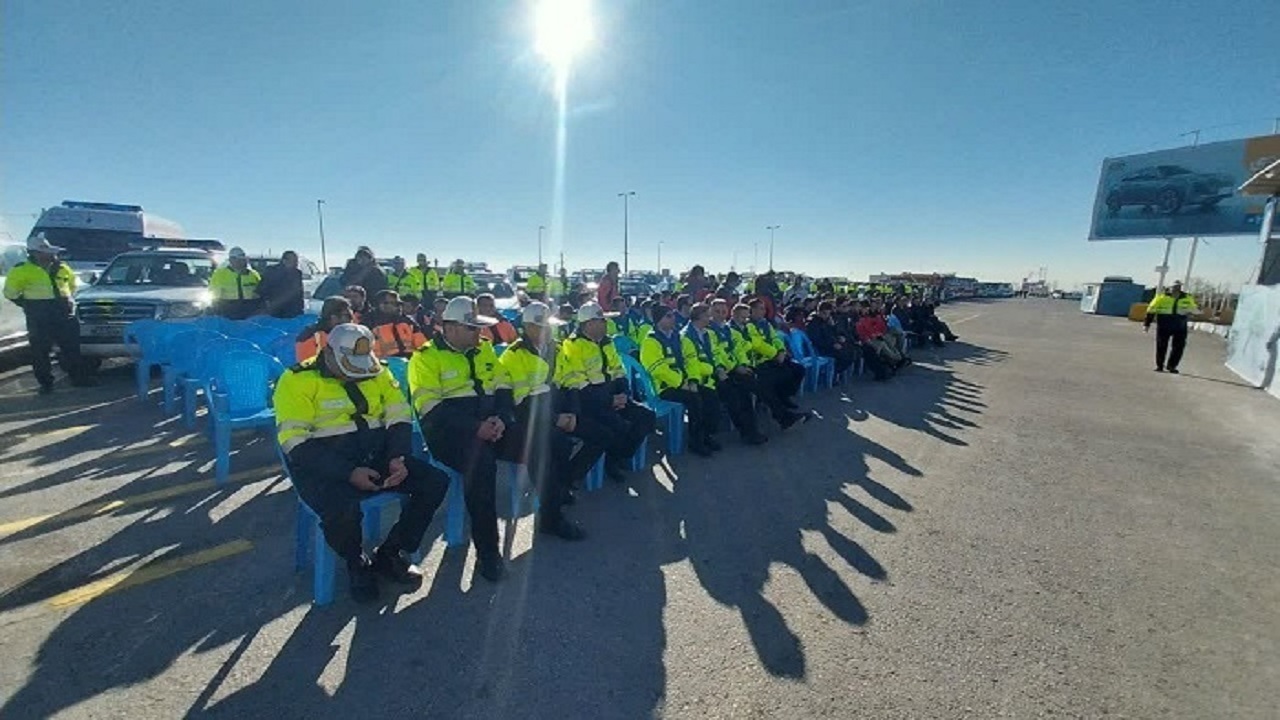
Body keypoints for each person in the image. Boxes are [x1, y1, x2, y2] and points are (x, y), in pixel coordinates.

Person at [274, 323, 451, 603]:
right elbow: (295, 444)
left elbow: (399, 416)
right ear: (329, 352)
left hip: (375, 456)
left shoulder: (378, 371)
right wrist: (348, 473)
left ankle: (392, 552)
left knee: (435, 482)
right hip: (324, 467)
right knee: (342, 510)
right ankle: (356, 561)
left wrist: (397, 457)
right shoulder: (296, 380)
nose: (357, 373)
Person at [408, 296, 510, 581]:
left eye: (479, 328)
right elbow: (432, 410)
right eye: (471, 329)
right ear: (449, 328)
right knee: (482, 467)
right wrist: (476, 428)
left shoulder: (484, 349)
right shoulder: (425, 358)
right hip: (449, 434)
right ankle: (488, 552)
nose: (479, 334)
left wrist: (502, 417)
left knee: (542, 437)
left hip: (490, 424)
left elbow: (503, 385)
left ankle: (553, 511)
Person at [495, 301, 599, 539]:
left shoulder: (557, 349)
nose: (548, 332)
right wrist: (556, 419)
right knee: (553, 446)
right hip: (530, 420)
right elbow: (522, 403)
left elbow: (570, 381)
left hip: (560, 411)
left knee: (599, 434)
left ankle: (563, 485)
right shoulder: (514, 356)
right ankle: (551, 517)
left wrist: (572, 412)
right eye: (542, 327)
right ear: (529, 327)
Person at [557, 302, 656, 480]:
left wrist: (624, 394)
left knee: (646, 416)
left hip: (613, 394)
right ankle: (611, 463)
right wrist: (609, 401)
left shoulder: (607, 342)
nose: (605, 324)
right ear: (588, 324)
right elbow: (579, 384)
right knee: (618, 425)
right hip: (590, 401)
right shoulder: (572, 346)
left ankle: (617, 457)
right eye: (601, 320)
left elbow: (619, 371)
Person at [3, 233, 95, 393]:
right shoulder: (21, 270)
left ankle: (79, 378)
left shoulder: (63, 268)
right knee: (40, 351)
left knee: (71, 347)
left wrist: (67, 301)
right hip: (39, 314)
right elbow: (10, 293)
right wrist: (27, 304)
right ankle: (46, 383)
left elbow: (72, 286)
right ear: (35, 253)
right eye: (47, 252)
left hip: (63, 312)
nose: (52, 255)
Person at [641, 305, 719, 456]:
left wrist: (694, 380)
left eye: (672, 315)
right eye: (668, 316)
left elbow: (691, 360)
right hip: (665, 387)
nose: (673, 319)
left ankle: (705, 435)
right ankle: (695, 441)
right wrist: (681, 383)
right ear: (659, 320)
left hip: (686, 383)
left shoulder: (680, 337)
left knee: (710, 395)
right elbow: (659, 370)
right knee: (695, 400)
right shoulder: (650, 341)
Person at [732, 301, 807, 429]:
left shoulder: (761, 325)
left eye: (745, 317)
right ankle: (783, 415)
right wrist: (774, 354)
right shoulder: (735, 330)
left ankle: (784, 404)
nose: (745, 320)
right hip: (748, 365)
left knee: (796, 370)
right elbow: (752, 346)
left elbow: (774, 339)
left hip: (759, 361)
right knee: (765, 382)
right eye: (742, 317)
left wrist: (781, 351)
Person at [706, 300, 768, 444]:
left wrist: (743, 365)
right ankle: (747, 431)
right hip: (715, 372)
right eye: (717, 312)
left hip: (733, 369)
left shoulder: (730, 331)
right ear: (710, 312)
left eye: (723, 312)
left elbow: (739, 350)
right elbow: (717, 354)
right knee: (734, 396)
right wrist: (734, 368)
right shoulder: (707, 330)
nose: (720, 315)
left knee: (752, 385)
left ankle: (753, 430)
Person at [1144, 281, 1200, 374]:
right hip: (1164, 324)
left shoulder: (1187, 297)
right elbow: (1151, 310)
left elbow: (1193, 309)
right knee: (1161, 346)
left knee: (1179, 347)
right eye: (1174, 286)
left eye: (1178, 286)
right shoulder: (1161, 297)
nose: (1176, 288)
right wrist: (1147, 324)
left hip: (1180, 325)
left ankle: (1172, 366)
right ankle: (1160, 365)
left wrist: (1194, 312)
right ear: (1169, 288)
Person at [364, 290, 428, 359]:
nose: (399, 307)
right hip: (384, 365)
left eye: (400, 304)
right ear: (382, 305)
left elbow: (422, 345)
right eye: (395, 304)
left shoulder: (408, 321)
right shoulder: (368, 323)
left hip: (410, 362)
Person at [806, 300, 858, 376]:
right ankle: (831, 373)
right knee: (844, 355)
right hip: (822, 348)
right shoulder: (813, 323)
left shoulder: (826, 321)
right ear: (819, 311)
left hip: (831, 343)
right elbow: (816, 339)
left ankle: (834, 373)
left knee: (851, 351)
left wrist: (833, 327)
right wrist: (832, 344)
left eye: (828, 314)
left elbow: (831, 334)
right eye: (824, 313)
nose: (826, 316)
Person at [295, 296, 355, 362]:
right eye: (347, 316)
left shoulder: (350, 334)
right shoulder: (310, 338)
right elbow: (306, 365)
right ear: (334, 318)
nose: (351, 320)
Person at [209, 247, 263, 319]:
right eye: (239, 259)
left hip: (250, 310)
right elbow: (214, 294)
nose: (242, 262)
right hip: (228, 310)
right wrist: (217, 308)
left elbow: (260, 291)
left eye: (243, 259)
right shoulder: (220, 274)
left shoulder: (253, 274)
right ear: (231, 260)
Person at [257, 250, 305, 318]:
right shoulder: (272, 271)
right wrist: (267, 304)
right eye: (293, 261)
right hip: (275, 309)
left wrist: (301, 308)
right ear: (284, 261)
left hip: (293, 310)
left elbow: (299, 292)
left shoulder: (297, 273)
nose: (296, 263)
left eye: (296, 261)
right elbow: (262, 289)